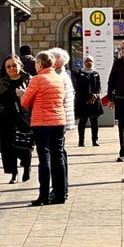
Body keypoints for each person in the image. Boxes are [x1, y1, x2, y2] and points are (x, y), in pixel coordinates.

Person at [18, 51, 66, 206]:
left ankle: (43, 195)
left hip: (41, 123)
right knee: (58, 157)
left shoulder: (37, 79)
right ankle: (60, 194)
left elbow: (25, 102)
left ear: (39, 64)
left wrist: (21, 93)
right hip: (58, 121)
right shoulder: (58, 79)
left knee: (44, 158)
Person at [0, 55, 33, 184]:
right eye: (8, 66)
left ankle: (26, 165)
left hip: (24, 117)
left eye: (14, 65)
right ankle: (13, 172)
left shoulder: (29, 79)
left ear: (20, 66)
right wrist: (1, 110)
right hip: (6, 118)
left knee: (25, 145)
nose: (12, 68)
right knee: (8, 147)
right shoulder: (1, 82)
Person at [49, 47, 75, 201]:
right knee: (60, 153)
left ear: (57, 62)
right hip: (62, 118)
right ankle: (61, 189)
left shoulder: (58, 77)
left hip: (57, 119)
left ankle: (59, 190)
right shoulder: (62, 75)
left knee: (56, 155)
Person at [74, 56, 103, 147]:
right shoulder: (80, 74)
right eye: (86, 61)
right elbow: (78, 88)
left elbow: (98, 86)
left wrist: (95, 95)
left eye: (90, 61)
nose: (88, 63)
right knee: (82, 121)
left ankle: (95, 140)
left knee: (94, 121)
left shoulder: (96, 74)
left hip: (94, 101)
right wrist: (87, 98)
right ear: (84, 63)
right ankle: (81, 141)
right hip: (83, 101)